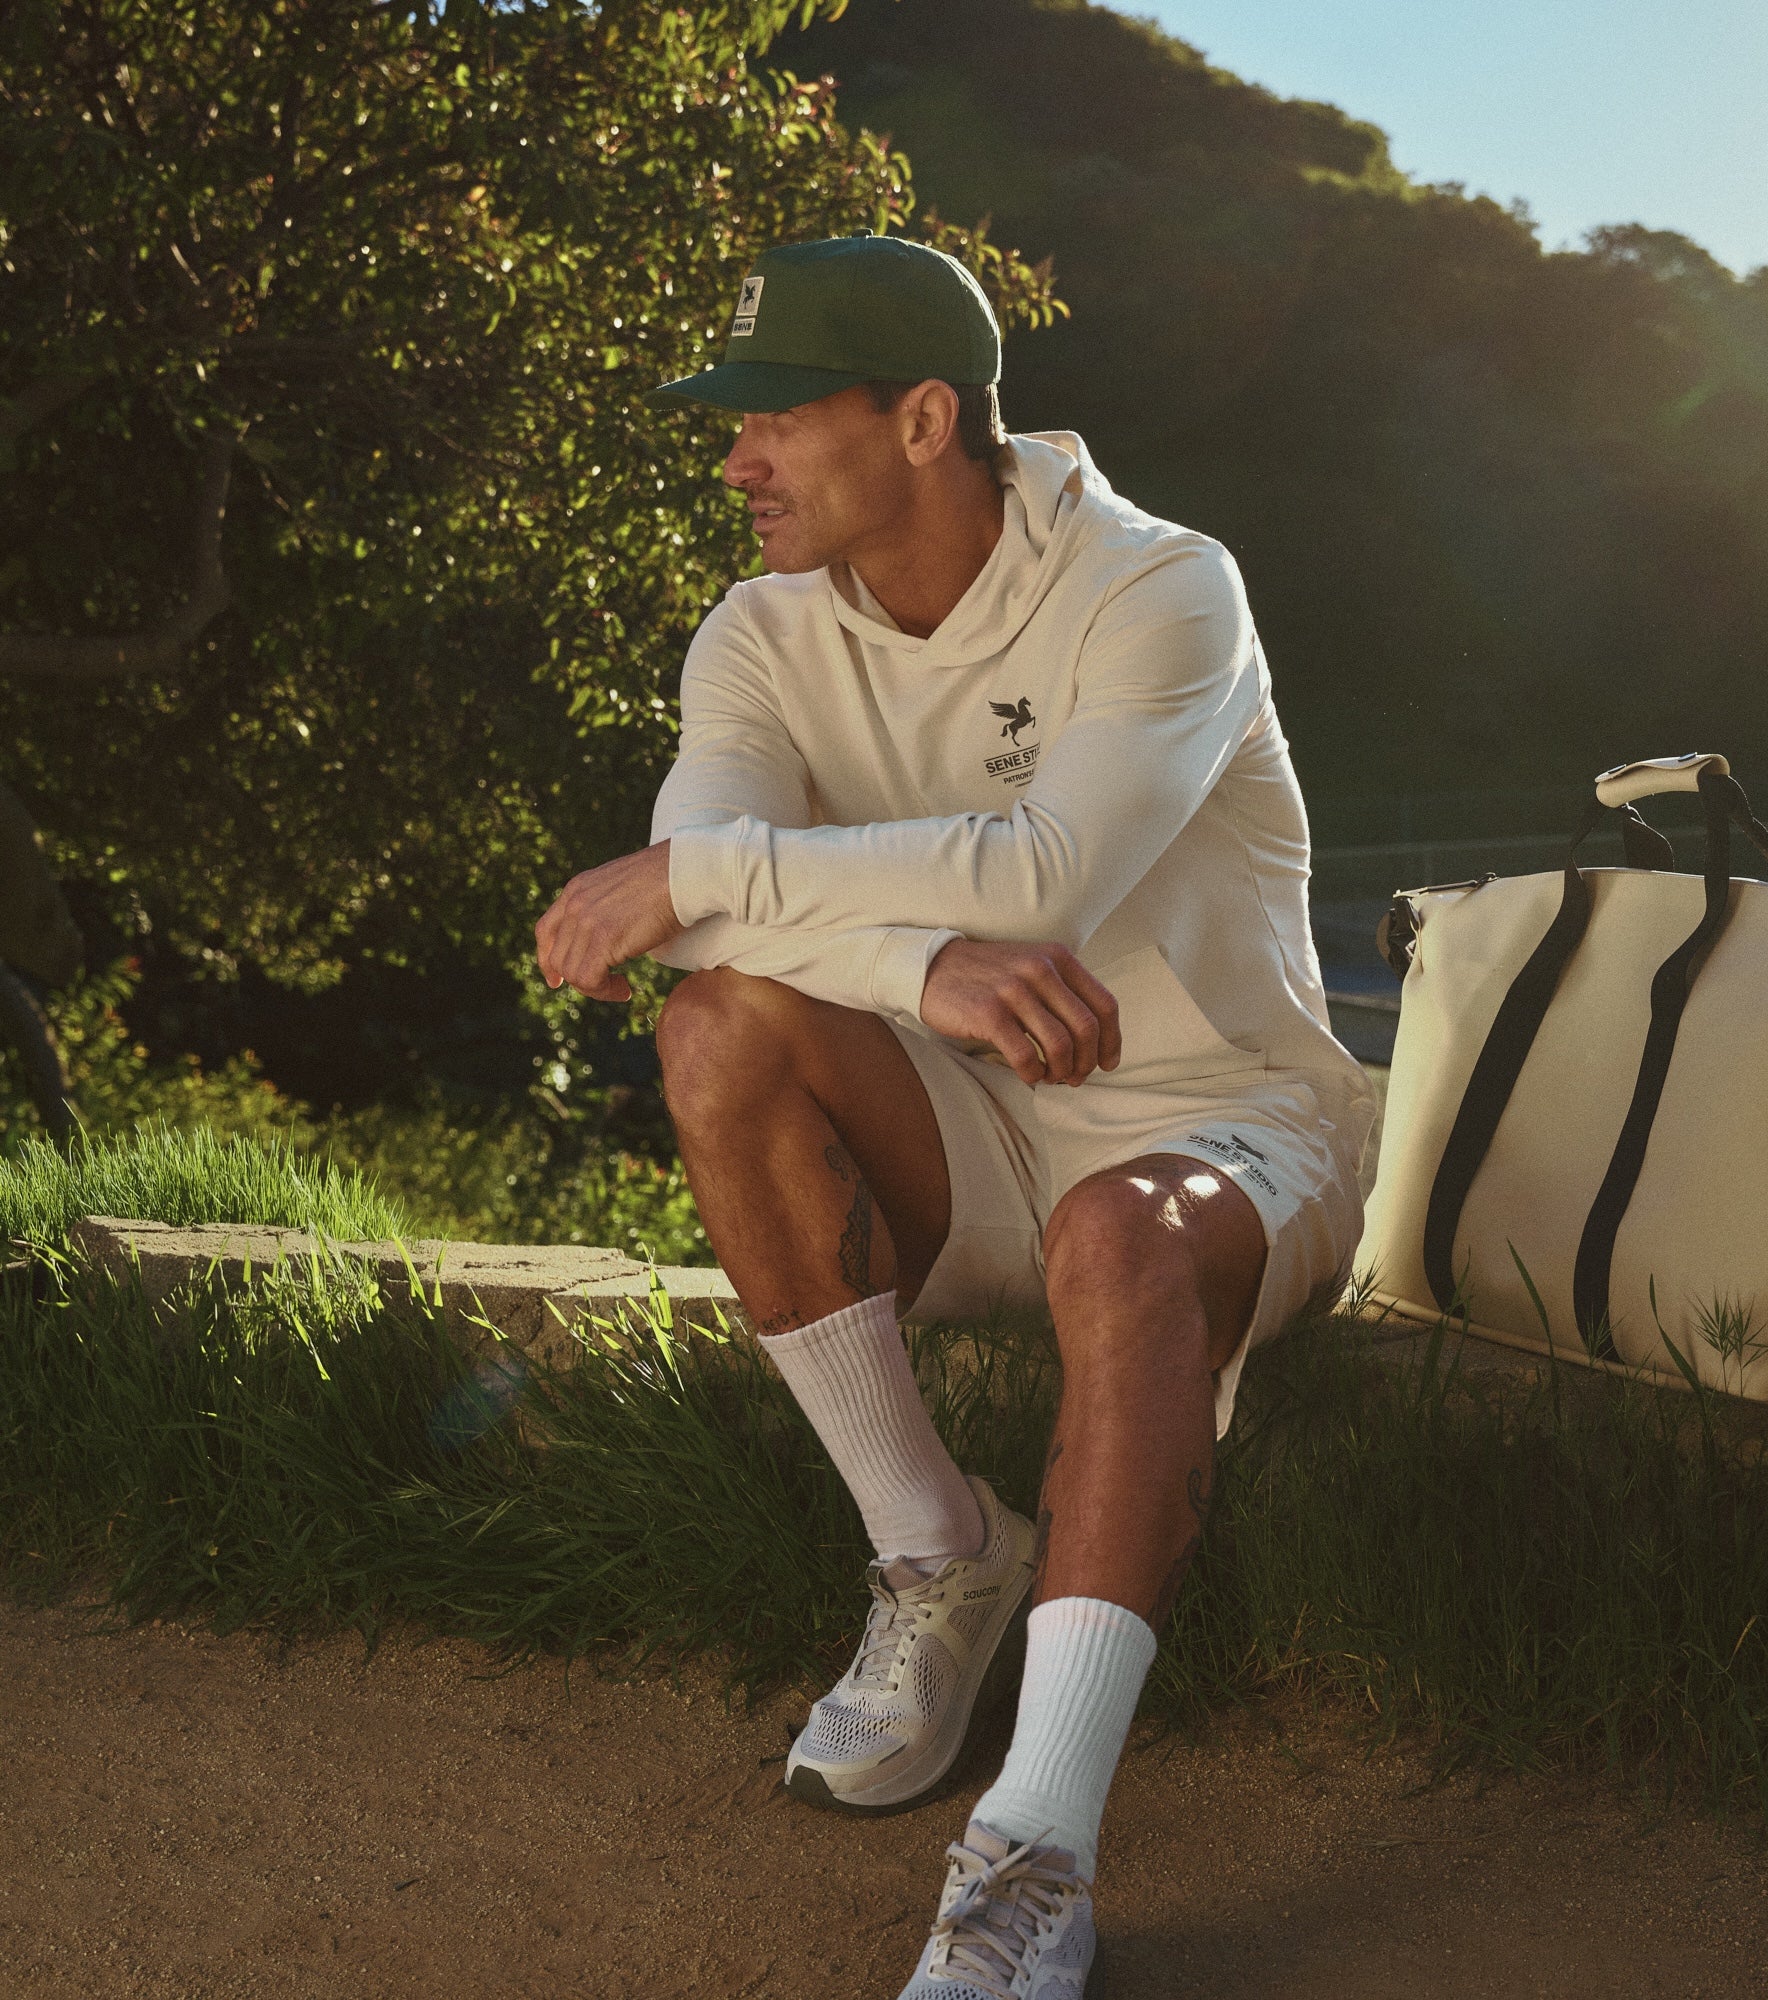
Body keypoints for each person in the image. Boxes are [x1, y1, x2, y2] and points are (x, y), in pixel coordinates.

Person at [534, 233, 1374, 1998]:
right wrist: (925, 969)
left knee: (1116, 1235)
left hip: (1230, 1124)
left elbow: (1049, 870)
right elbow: (703, 936)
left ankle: (1036, 1855)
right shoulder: (756, 638)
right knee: (717, 1031)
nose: (734, 458)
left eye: (772, 415)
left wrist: (703, 866)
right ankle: (940, 1552)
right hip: (963, 1117)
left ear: (926, 420)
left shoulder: (1164, 584)